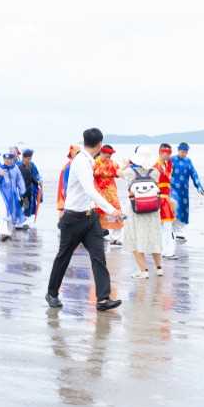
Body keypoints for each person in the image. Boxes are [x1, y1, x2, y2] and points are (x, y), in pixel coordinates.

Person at [46, 128, 122, 312]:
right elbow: (90, 190)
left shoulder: (89, 160)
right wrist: (112, 210)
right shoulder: (81, 161)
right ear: (99, 145)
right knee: (63, 257)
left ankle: (103, 299)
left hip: (90, 218)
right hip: (73, 219)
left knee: (98, 257)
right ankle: (52, 293)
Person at [123, 149, 164, 279]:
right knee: (154, 237)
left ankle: (143, 270)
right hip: (153, 209)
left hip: (136, 210)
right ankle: (159, 268)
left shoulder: (129, 173)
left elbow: (118, 172)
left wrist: (125, 164)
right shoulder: (155, 172)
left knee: (135, 237)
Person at [170, 142, 204, 241]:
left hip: (183, 190)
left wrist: (198, 186)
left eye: (185, 151)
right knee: (175, 207)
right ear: (178, 150)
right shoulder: (172, 160)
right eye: (182, 151)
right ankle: (170, 229)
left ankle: (179, 231)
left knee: (183, 210)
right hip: (172, 189)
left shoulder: (188, 161)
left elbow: (194, 174)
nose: (183, 153)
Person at [0, 152, 26, 241]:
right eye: (6, 159)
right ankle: (3, 233)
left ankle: (8, 232)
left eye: (9, 159)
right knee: (1, 212)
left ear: (13, 160)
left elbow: (20, 179)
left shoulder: (15, 168)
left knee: (11, 213)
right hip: (1, 194)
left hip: (12, 195)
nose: (8, 161)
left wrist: (22, 191)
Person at [153, 143, 179, 260]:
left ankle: (166, 250)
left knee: (166, 226)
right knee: (163, 226)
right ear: (159, 152)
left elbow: (169, 183)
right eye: (164, 152)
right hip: (157, 198)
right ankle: (166, 251)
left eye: (169, 152)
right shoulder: (155, 166)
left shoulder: (169, 164)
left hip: (166, 198)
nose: (167, 154)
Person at [94, 145, 124, 245]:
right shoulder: (94, 163)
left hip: (111, 193)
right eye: (107, 155)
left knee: (117, 212)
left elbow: (120, 173)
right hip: (98, 193)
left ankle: (115, 238)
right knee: (98, 214)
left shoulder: (113, 164)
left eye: (110, 155)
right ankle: (97, 235)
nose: (109, 157)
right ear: (102, 152)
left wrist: (127, 172)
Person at [18, 149, 43, 228]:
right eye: (28, 158)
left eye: (30, 158)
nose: (29, 160)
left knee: (28, 207)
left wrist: (39, 181)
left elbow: (36, 175)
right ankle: (21, 222)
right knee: (23, 206)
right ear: (23, 158)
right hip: (21, 191)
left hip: (29, 190)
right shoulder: (18, 166)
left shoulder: (32, 165)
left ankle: (25, 222)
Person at [57, 144, 79, 212]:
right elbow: (65, 186)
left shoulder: (72, 166)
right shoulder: (68, 167)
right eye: (77, 154)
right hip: (71, 200)